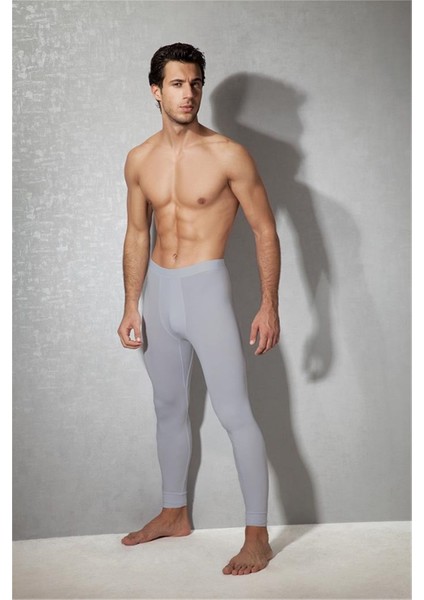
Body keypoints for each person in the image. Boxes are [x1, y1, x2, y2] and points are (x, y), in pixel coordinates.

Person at [117, 42, 281, 576]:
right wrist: (131, 304)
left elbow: (265, 229)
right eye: (176, 84)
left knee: (235, 413)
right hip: (159, 293)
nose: (188, 94)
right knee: (168, 407)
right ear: (155, 91)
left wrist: (269, 304)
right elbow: (137, 234)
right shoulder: (139, 159)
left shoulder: (228, 154)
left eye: (195, 84)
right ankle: (174, 513)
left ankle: (257, 535)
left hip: (207, 290)